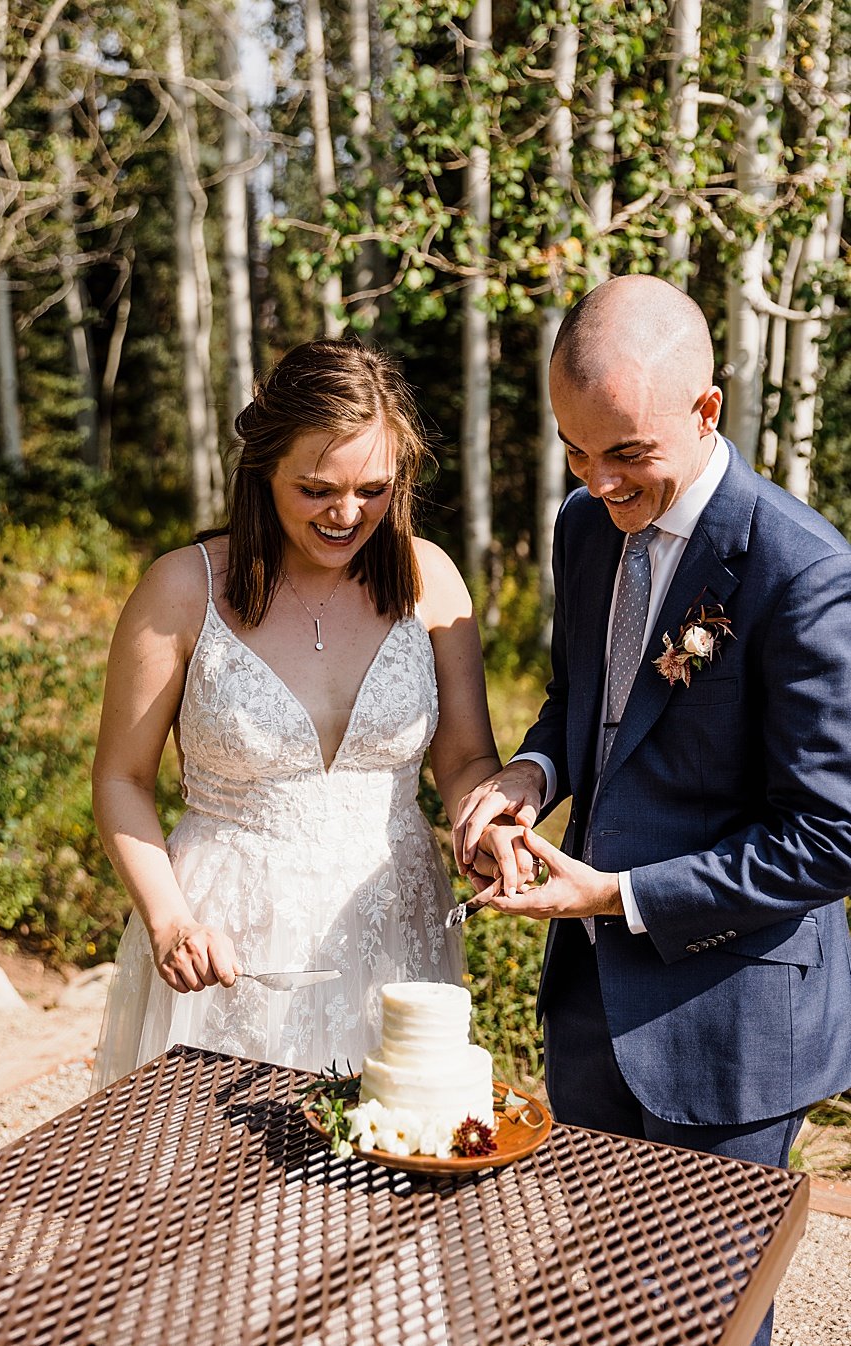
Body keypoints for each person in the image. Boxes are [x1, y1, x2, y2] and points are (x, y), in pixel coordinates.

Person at [452, 276, 851, 1344]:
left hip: (731, 1017)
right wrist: (532, 774)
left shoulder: (803, 572)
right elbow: (589, 699)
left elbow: (830, 835)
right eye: (575, 451)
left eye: (626, 453)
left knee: (706, 1313)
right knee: (616, 1300)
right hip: (591, 1002)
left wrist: (620, 892)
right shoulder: (585, 526)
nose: (599, 480)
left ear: (707, 410)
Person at [91, 339, 503, 1088]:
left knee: (386, 1151)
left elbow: (469, 762)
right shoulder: (181, 591)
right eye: (317, 489)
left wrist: (490, 829)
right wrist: (169, 919)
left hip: (394, 925)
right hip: (228, 940)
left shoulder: (430, 580)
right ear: (265, 470)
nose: (349, 514)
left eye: (374, 488)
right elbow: (120, 778)